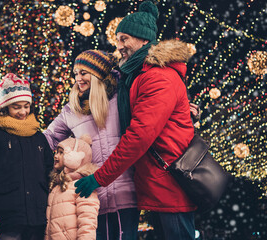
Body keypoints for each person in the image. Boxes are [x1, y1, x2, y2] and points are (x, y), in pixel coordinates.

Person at [75, 1, 197, 240]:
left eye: (124, 39)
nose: (118, 46)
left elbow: (139, 136)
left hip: (170, 180)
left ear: (143, 40)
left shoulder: (157, 77)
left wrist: (99, 177)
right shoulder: (135, 76)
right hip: (156, 181)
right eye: (117, 39)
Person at [43, 50, 140, 239]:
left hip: (125, 192)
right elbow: (48, 138)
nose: (78, 78)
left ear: (97, 74)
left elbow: (150, 113)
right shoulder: (72, 110)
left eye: (83, 72)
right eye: (75, 74)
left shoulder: (121, 97)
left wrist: (184, 109)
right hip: (92, 195)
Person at [0, 73, 54, 240]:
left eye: (26, 106)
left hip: (38, 221)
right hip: (5, 221)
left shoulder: (38, 137)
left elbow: (50, 173)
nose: (23, 112)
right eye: (17, 107)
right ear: (5, 106)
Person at [45, 135, 99, 239]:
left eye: (61, 153)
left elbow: (87, 220)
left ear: (75, 156)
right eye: (56, 152)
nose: (56, 156)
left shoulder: (82, 184)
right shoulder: (56, 184)